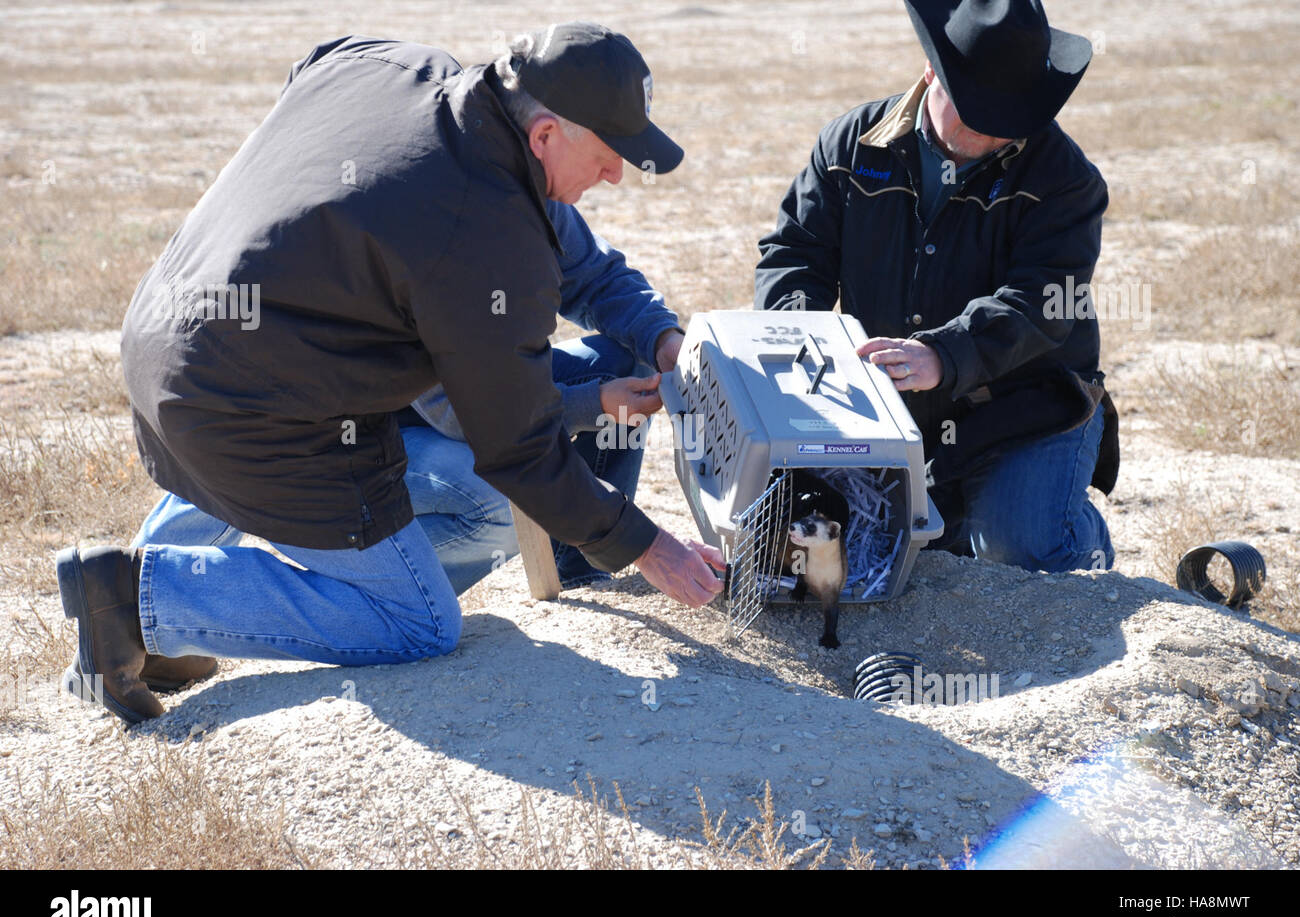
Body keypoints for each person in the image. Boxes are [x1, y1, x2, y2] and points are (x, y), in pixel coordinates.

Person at [56, 23, 722, 726]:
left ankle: (157, 615)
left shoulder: (396, 68)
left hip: (163, 337)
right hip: (249, 410)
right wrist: (649, 546)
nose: (619, 173)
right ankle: (137, 603)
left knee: (267, 380)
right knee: (419, 621)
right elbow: (516, 446)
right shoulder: (485, 238)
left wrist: (664, 339)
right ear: (547, 135)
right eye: (610, 154)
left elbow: (318, 64)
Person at [754, 0, 1119, 574]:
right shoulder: (852, 145)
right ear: (931, 73)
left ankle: (1076, 528)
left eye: (1009, 120)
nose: (989, 135)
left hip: (1026, 406)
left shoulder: (1067, 181)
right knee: (838, 541)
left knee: (1018, 552)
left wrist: (943, 354)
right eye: (975, 113)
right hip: (892, 408)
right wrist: (801, 335)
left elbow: (1044, 303)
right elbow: (795, 252)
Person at [399, 195, 685, 593]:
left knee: (625, 358)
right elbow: (461, 412)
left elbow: (598, 278)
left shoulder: (528, 184)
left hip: (491, 390)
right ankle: (381, 585)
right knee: (497, 503)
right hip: (390, 426)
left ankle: (583, 566)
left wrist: (662, 339)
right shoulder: (420, 225)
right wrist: (593, 403)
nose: (615, 178)